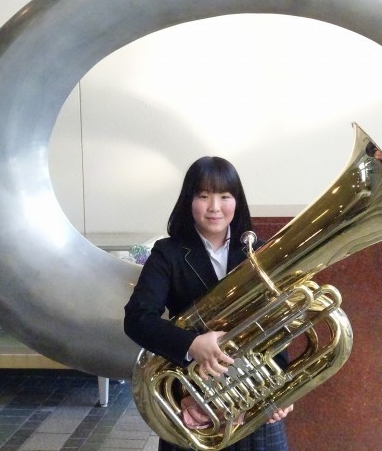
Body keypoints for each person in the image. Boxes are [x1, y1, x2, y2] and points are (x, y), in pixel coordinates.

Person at [124, 156, 293, 451]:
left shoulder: (258, 252)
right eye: (203, 196)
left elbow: (276, 324)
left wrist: (279, 389)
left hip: (253, 400)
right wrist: (192, 345)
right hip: (192, 399)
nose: (214, 207)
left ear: (237, 201)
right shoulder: (168, 253)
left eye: (224, 196)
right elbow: (138, 318)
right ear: (188, 201)